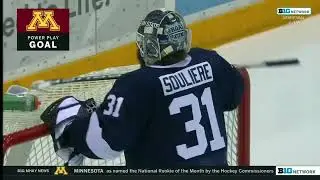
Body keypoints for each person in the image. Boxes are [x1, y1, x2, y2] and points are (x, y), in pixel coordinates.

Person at [41, 9, 244, 167]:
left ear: (148, 47)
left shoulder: (136, 85)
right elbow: (234, 95)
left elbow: (104, 144)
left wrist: (71, 130)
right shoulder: (210, 61)